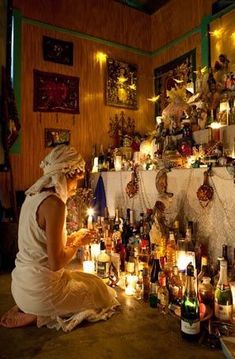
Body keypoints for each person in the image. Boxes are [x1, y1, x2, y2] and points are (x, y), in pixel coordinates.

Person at [0, 145, 119, 332]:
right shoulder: (55, 204)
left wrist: (71, 239)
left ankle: (32, 309)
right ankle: (39, 315)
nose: (75, 188)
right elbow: (56, 263)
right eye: (76, 180)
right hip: (40, 291)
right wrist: (78, 243)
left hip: (22, 286)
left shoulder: (32, 195)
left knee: (88, 279)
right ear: (66, 176)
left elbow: (42, 245)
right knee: (102, 292)